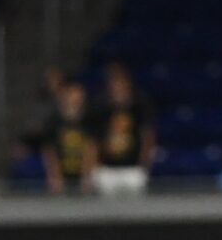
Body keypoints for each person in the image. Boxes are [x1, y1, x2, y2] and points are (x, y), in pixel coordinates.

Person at [91, 61, 157, 195]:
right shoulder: (101, 107)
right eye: (115, 83)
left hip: (132, 169)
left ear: (128, 83)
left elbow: (148, 135)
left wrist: (144, 164)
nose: (118, 87)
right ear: (109, 85)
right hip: (107, 169)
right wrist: (94, 166)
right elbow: (94, 140)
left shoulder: (140, 105)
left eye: (121, 82)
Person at [41, 79, 97, 192]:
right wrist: (55, 176)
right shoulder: (53, 121)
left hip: (83, 173)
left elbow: (92, 148)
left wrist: (87, 175)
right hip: (61, 172)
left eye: (79, 93)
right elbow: (49, 151)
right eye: (73, 93)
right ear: (64, 95)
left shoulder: (89, 119)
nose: (76, 97)